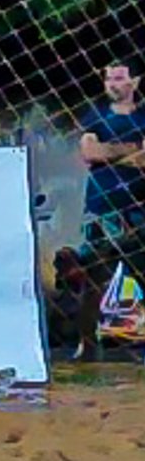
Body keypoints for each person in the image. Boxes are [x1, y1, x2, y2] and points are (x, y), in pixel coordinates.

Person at [73, 58, 145, 361]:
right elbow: (89, 151)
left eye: (118, 78)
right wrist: (131, 149)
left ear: (135, 81)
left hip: (138, 208)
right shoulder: (96, 115)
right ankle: (86, 345)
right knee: (93, 280)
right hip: (100, 208)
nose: (112, 85)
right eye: (108, 79)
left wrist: (109, 152)